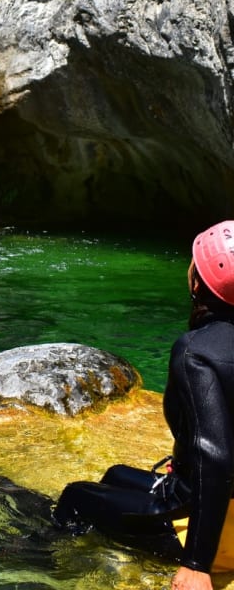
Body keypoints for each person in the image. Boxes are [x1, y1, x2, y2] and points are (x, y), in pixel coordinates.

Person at [52, 220, 234, 590]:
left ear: (197, 284)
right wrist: (184, 460)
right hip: (210, 495)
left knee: (74, 497)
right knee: (116, 474)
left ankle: (46, 576)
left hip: (207, 527)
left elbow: (216, 457)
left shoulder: (195, 351)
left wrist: (196, 564)